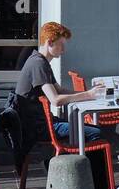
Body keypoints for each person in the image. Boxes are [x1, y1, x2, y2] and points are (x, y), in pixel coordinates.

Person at [14, 21, 105, 152]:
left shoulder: (40, 61)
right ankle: (89, 171)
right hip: (37, 127)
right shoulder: (38, 64)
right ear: (50, 42)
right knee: (95, 132)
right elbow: (55, 100)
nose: (64, 50)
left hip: (41, 122)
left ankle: (77, 165)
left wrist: (89, 94)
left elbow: (60, 90)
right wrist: (89, 95)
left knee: (91, 129)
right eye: (61, 44)